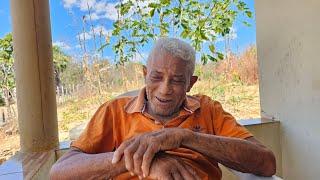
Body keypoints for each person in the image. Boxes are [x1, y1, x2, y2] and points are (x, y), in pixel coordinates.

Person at [50, 38, 276, 180]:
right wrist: (147, 161)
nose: (165, 89)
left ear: (191, 83)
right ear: (144, 74)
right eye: (156, 77)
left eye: (177, 80)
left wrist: (184, 137)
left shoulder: (208, 110)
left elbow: (266, 162)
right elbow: (60, 172)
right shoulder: (114, 111)